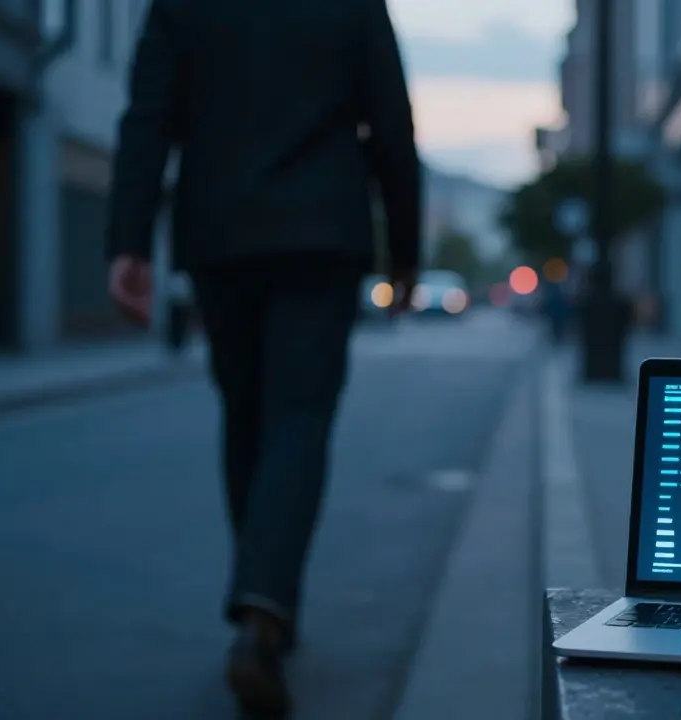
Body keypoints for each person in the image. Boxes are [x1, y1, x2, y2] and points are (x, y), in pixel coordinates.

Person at [104, 1, 420, 715]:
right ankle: (264, 610)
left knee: (244, 415)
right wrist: (404, 251)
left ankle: (265, 600)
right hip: (321, 230)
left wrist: (127, 240)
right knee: (298, 417)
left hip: (220, 233)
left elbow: (148, 116)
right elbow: (393, 122)